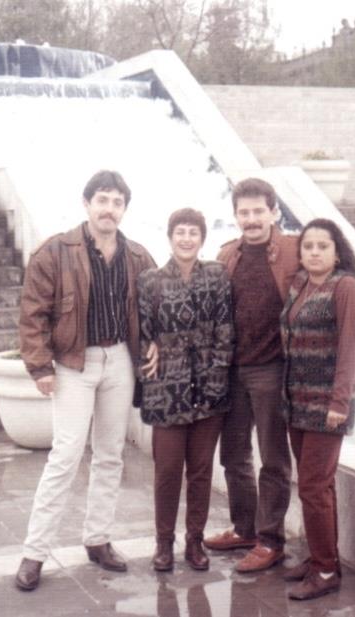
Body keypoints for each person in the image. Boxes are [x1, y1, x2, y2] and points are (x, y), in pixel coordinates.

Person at [15, 170, 156, 591]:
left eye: (116, 202)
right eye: (102, 200)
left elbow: (153, 310)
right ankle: (34, 552)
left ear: (124, 209)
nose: (109, 208)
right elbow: (32, 313)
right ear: (87, 203)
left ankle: (97, 539)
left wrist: (156, 345)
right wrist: (40, 367)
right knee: (66, 454)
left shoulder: (138, 257)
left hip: (119, 362)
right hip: (74, 363)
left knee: (110, 454)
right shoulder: (55, 251)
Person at [204, 178, 300, 573]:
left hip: (272, 369)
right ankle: (244, 528)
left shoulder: (295, 250)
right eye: (244, 212)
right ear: (235, 216)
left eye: (259, 211)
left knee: (273, 459)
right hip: (234, 370)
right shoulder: (228, 254)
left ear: (274, 211)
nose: (252, 219)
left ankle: (270, 540)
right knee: (234, 456)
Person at [280, 218, 355, 601]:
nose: (314, 252)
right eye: (308, 246)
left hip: (327, 406)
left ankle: (326, 570)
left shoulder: (346, 287)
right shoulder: (300, 284)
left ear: (337, 253)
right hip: (297, 402)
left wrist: (339, 403)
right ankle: (321, 556)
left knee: (314, 487)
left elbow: (350, 349)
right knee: (315, 485)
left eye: (322, 246)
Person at [137, 208, 233, 572]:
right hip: (167, 389)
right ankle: (164, 543)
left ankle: (195, 541)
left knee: (201, 470)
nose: (187, 238)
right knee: (167, 471)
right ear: (170, 236)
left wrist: (219, 371)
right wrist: (152, 352)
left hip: (209, 387)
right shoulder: (151, 281)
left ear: (202, 238)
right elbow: (144, 332)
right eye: (180, 232)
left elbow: (225, 326)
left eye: (194, 232)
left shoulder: (217, 275)